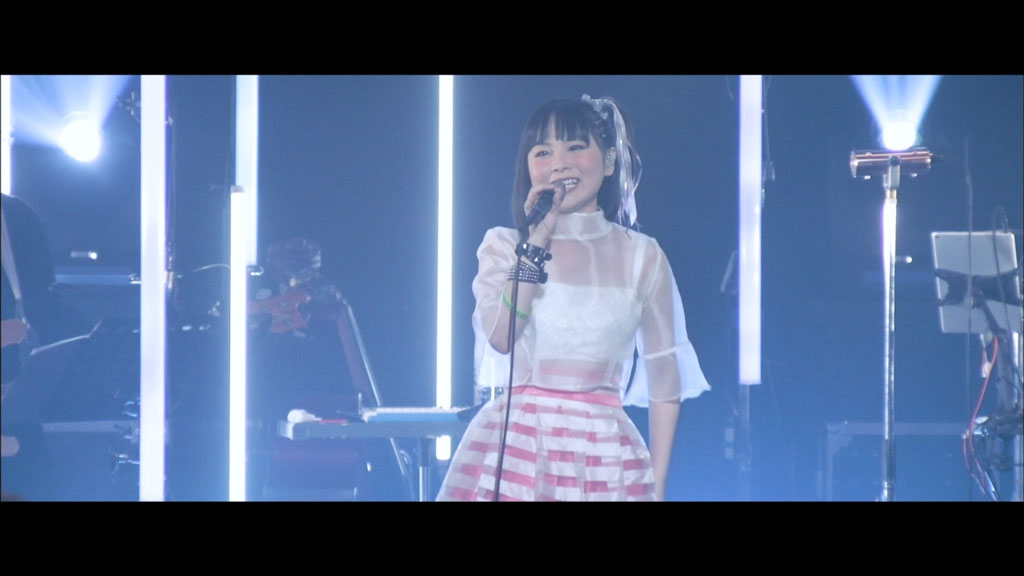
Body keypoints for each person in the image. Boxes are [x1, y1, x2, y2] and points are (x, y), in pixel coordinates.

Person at [437, 95, 710, 501]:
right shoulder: (505, 246)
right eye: (543, 151)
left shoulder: (643, 256)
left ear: (610, 161)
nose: (560, 163)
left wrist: (658, 486)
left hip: (606, 454)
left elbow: (665, 384)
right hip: (519, 450)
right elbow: (501, 337)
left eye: (575, 147)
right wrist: (537, 241)